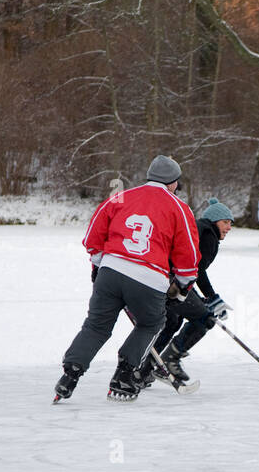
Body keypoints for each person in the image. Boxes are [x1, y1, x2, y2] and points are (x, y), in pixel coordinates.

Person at [56, 155, 199, 402]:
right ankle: (124, 376)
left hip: (110, 272)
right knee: (151, 323)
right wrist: (184, 285)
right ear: (174, 182)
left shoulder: (122, 196)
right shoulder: (179, 208)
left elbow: (93, 237)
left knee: (96, 326)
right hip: (149, 278)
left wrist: (99, 264)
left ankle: (69, 375)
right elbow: (188, 254)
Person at [144, 198, 234, 385]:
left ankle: (143, 371)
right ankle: (169, 360)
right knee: (204, 319)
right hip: (171, 282)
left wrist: (203, 297)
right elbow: (197, 269)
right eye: (225, 222)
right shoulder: (208, 234)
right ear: (214, 221)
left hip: (161, 278)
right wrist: (211, 298)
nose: (229, 227)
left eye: (230, 223)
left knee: (171, 322)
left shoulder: (198, 229)